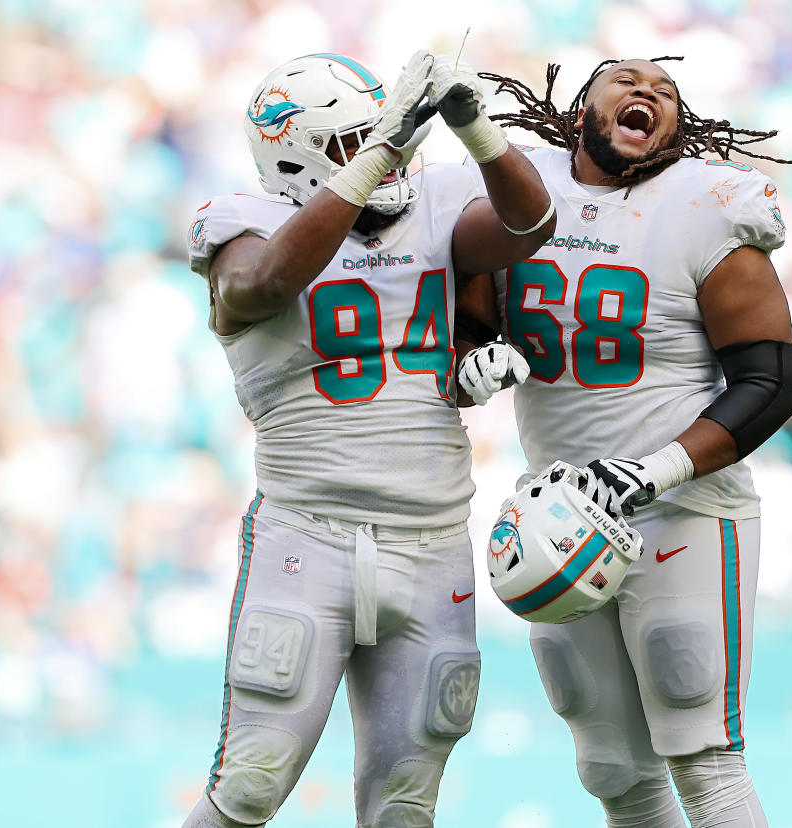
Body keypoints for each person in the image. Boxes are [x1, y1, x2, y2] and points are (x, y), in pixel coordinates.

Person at [180, 50, 556, 828]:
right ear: (295, 156)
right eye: (356, 140)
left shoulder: (435, 201)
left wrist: (472, 126)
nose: (390, 151)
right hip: (307, 534)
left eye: (387, 132)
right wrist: (381, 151)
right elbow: (267, 284)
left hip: (432, 541)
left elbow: (530, 221)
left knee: (405, 804)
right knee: (251, 781)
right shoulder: (242, 226)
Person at [454, 57, 792, 827]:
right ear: (581, 109)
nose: (648, 90)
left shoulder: (705, 207)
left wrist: (654, 471)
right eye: (626, 79)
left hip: (685, 511)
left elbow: (773, 382)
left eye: (668, 89)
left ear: (677, 130)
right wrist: (471, 356)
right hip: (560, 514)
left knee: (703, 757)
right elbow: (464, 316)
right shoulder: (521, 192)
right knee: (613, 767)